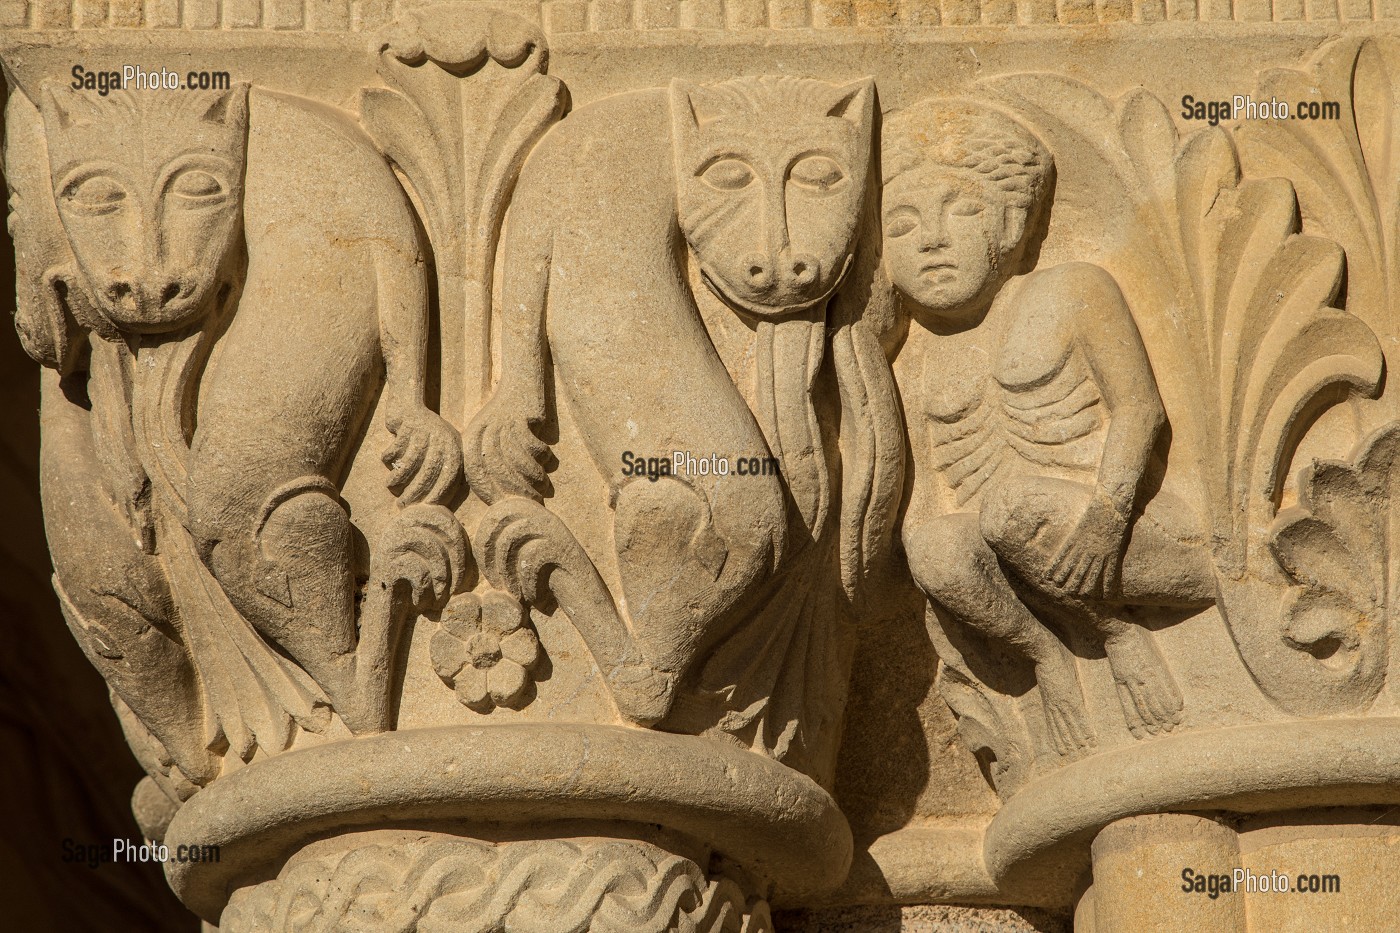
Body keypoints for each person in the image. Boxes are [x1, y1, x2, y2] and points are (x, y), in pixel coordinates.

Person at [885, 99, 1213, 755]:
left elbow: (1139, 410)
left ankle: (1119, 634)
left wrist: (1108, 512)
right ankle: (1048, 656)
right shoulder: (917, 358)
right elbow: (927, 500)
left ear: (1010, 223)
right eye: (901, 222)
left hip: (1126, 536)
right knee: (931, 546)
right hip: (1027, 576)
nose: (931, 237)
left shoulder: (1072, 289)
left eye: (961, 209)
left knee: (1013, 505)